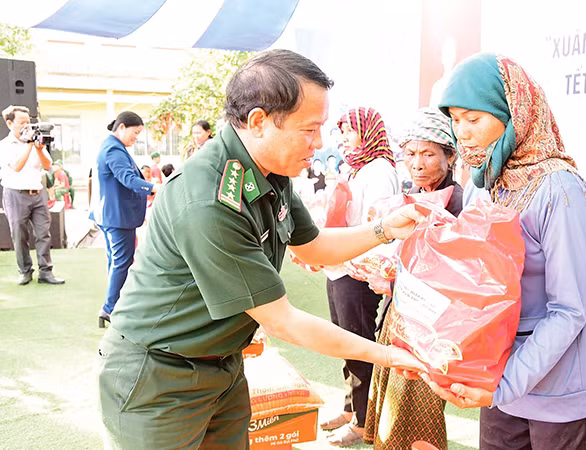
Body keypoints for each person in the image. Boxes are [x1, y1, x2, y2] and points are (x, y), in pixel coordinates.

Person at [97, 49, 425, 449]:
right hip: (158, 377)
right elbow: (283, 321)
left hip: (223, 367)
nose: (320, 143)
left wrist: (383, 229)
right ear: (258, 122)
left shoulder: (270, 169)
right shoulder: (209, 199)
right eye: (309, 130)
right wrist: (388, 355)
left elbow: (314, 246)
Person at [424, 53, 586, 450]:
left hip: (562, 394)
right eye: (455, 120)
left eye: (473, 119)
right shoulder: (485, 182)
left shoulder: (560, 191)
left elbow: (570, 310)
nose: (463, 133)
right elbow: (476, 281)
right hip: (499, 378)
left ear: (515, 115)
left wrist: (505, 384)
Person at [363, 107, 463, 450]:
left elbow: (455, 280)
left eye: (428, 154)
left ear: (449, 156)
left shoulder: (459, 206)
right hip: (397, 317)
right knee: (391, 407)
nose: (417, 163)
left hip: (432, 329)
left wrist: (391, 283)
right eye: (410, 154)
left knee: (417, 412)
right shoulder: (409, 198)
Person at [321, 106, 399, 447]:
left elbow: (377, 227)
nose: (343, 138)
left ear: (368, 132)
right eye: (341, 132)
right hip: (339, 266)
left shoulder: (379, 170)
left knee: (359, 346)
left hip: (359, 273)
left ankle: (364, 423)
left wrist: (351, 260)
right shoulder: (356, 168)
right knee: (345, 344)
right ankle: (351, 410)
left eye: (349, 131)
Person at [90, 111, 159, 327]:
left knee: (115, 261)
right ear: (121, 127)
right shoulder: (113, 148)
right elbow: (127, 179)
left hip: (112, 215)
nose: (136, 138)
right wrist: (154, 187)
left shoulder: (112, 146)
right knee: (121, 263)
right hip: (117, 217)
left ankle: (115, 305)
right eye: (135, 133)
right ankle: (110, 309)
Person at [0, 105, 65, 285]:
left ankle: (46, 272)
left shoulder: (35, 141)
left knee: (44, 234)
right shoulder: (5, 146)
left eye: (29, 122)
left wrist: (38, 148)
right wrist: (28, 145)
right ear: (9, 123)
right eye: (22, 122)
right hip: (15, 194)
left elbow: (47, 165)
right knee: (19, 235)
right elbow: (17, 167)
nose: (27, 126)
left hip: (38, 192)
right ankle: (25, 271)